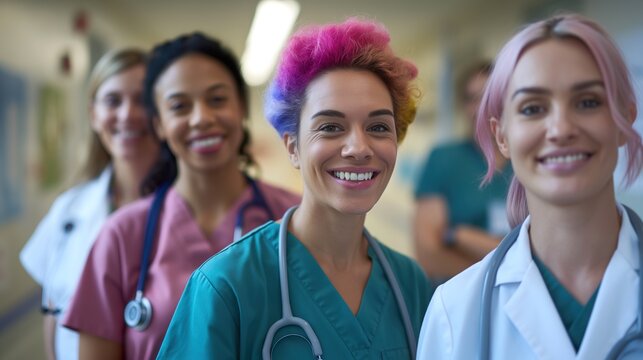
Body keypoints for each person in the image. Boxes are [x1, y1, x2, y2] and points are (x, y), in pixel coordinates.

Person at [157, 18, 433, 359]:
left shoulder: (410, 284)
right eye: (331, 127)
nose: (359, 147)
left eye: (378, 126)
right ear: (293, 147)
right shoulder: (227, 285)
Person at [61, 33, 301, 360]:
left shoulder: (294, 217)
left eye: (217, 99)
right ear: (159, 124)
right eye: (179, 106)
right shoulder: (121, 236)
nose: (201, 118)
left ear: (242, 107)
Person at [417, 13, 643, 359]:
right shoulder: (454, 313)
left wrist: (462, 237)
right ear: (501, 136)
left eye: (587, 102)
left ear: (625, 116)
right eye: (533, 108)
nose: (560, 128)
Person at [19, 48, 160, 360]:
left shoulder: (189, 210)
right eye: (113, 101)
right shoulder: (69, 211)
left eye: (143, 100)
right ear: (93, 114)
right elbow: (53, 312)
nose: (127, 114)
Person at [413, 61, 512, 283]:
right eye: (472, 98)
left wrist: (460, 235)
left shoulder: (527, 162)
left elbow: (545, 252)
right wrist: (505, 271)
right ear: (463, 106)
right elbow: (429, 256)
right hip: (457, 302)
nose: (480, 107)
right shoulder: (444, 159)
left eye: (488, 96)